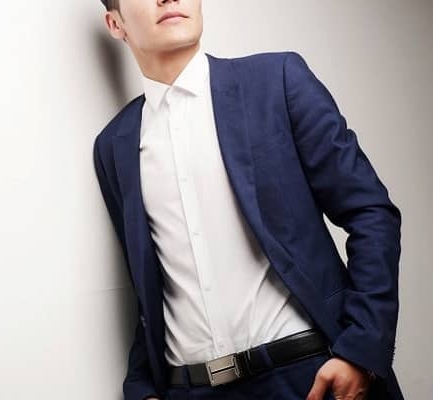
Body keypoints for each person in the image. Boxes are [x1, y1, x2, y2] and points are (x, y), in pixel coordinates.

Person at [92, 1, 403, 399]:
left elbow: (371, 213)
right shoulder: (114, 145)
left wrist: (360, 349)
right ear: (115, 24)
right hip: (192, 389)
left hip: (308, 376)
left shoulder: (277, 81)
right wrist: (143, 388)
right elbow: (149, 288)